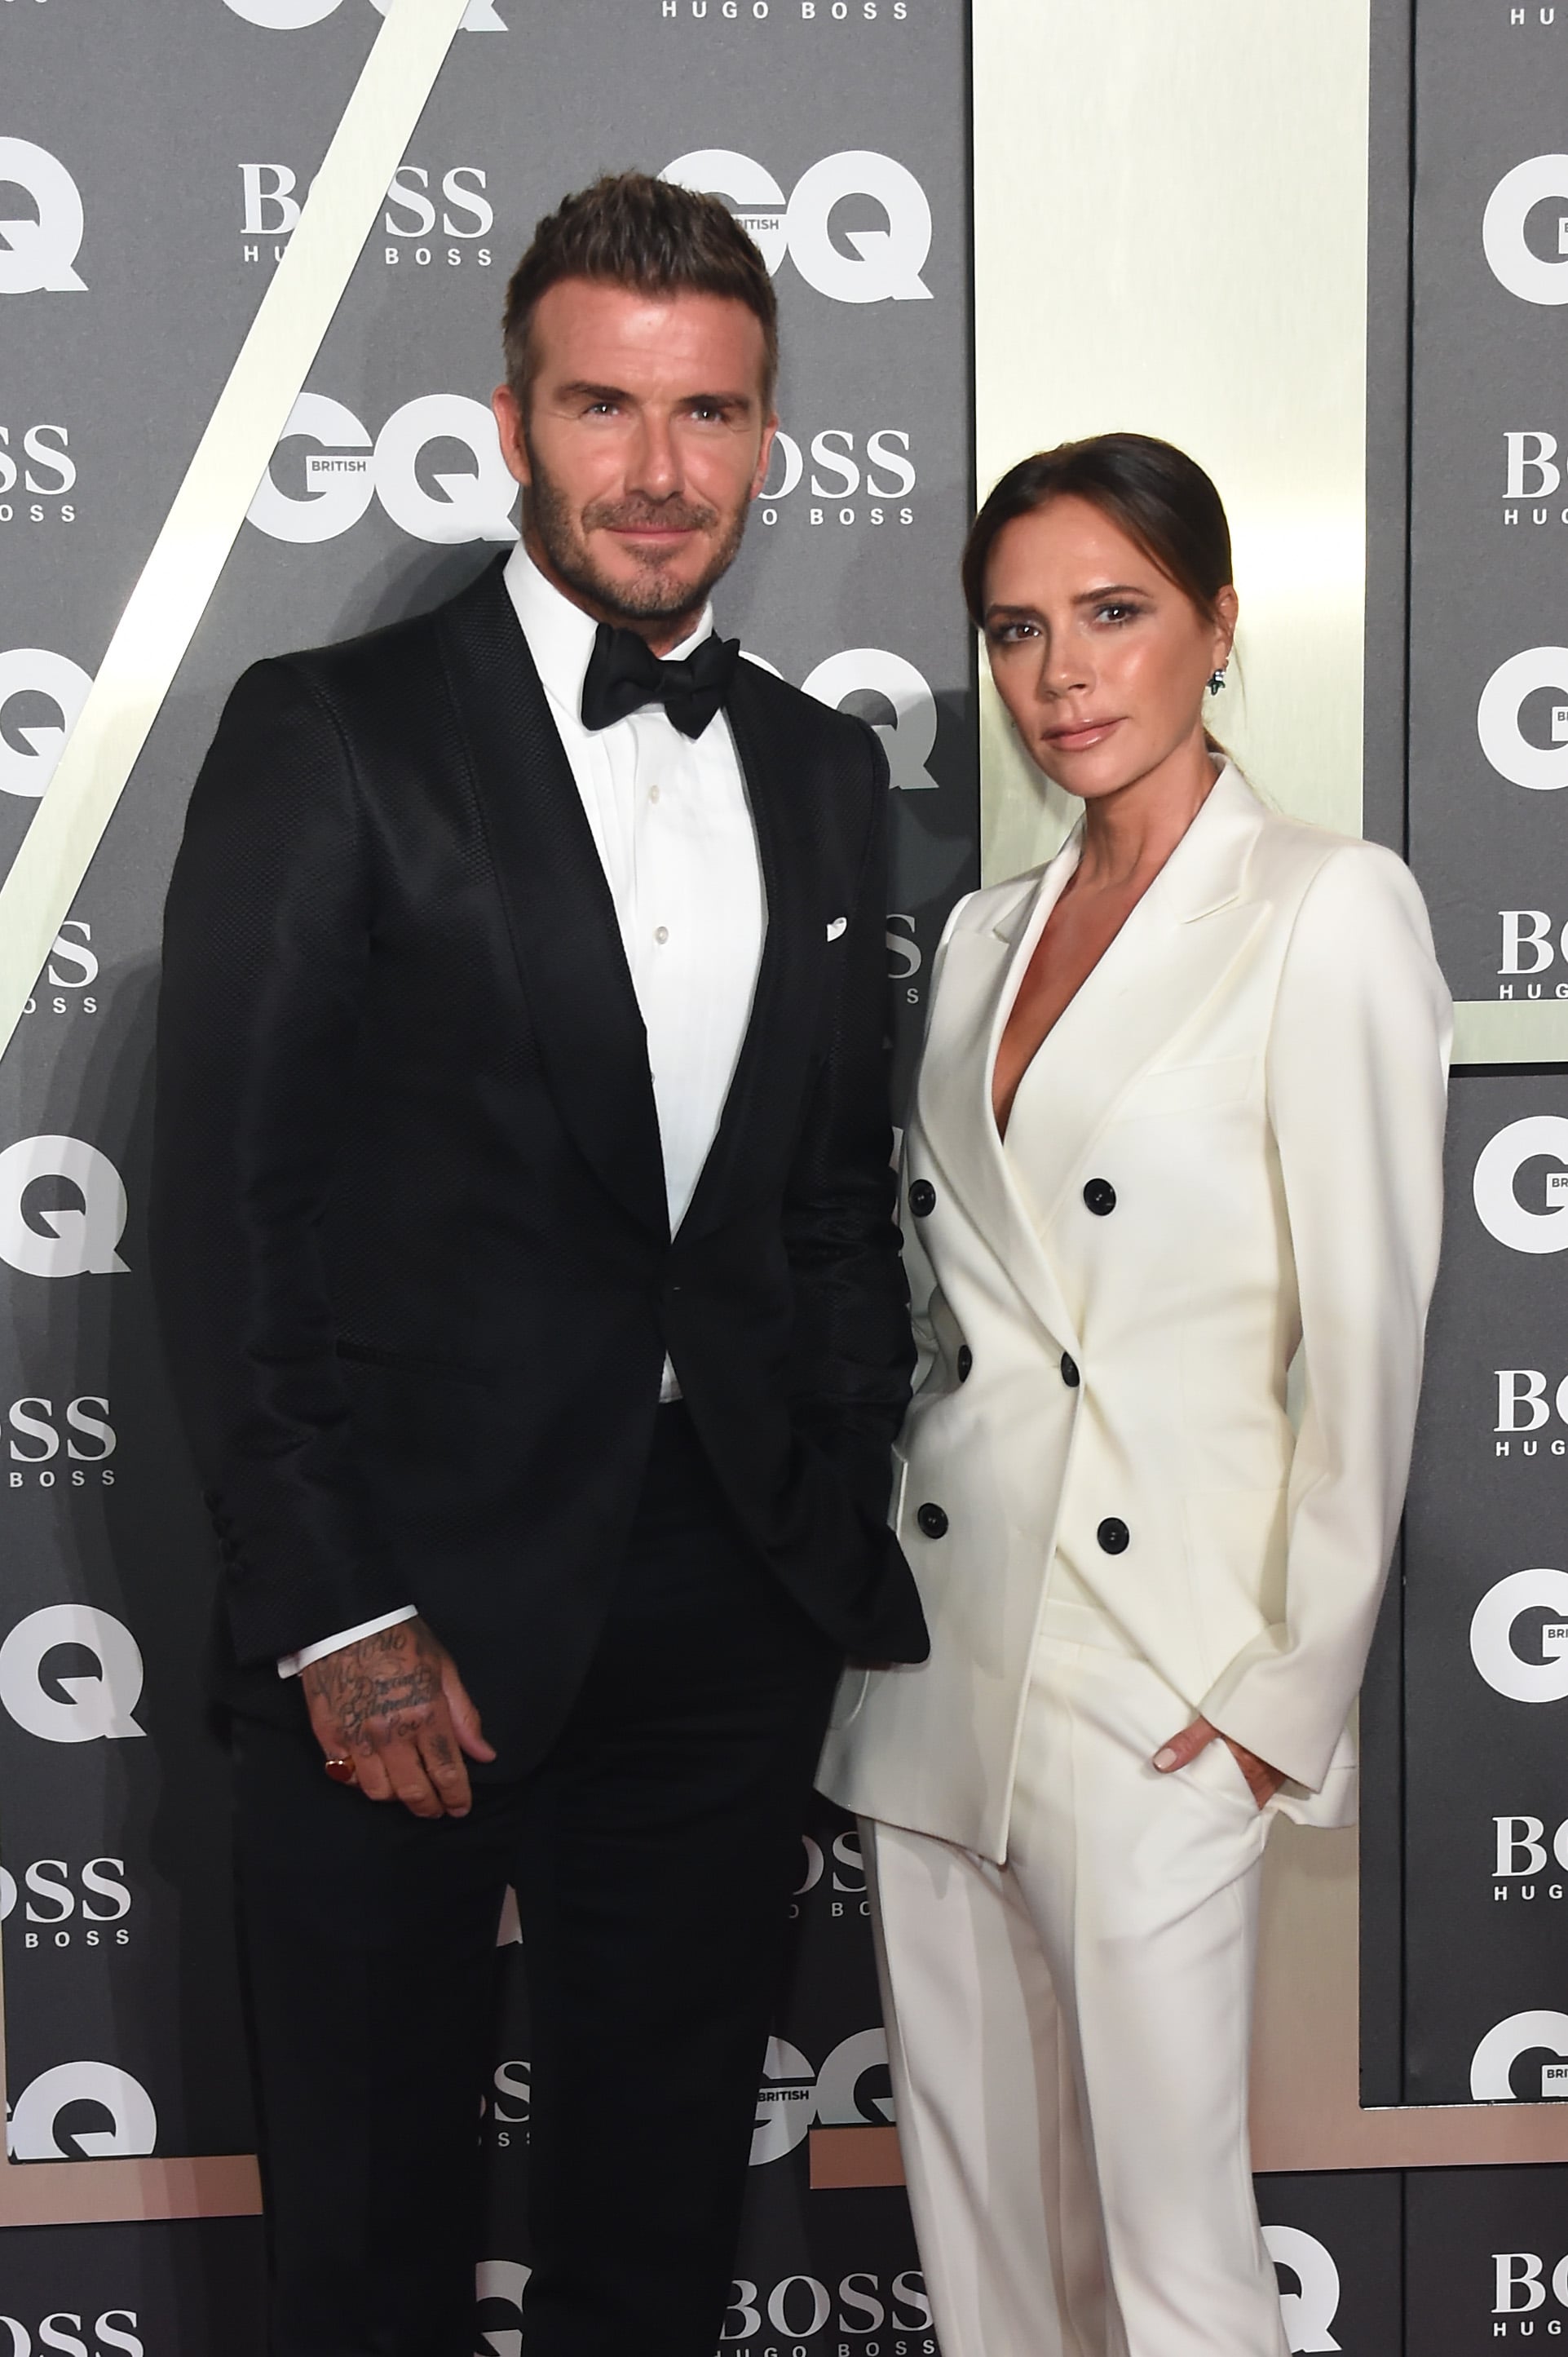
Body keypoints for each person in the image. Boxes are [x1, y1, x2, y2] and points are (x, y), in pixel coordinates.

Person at [149, 171, 925, 2357]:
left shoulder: (820, 770)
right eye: (604, 407)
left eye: (708, 415)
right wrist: (335, 1608)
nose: (657, 473)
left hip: (720, 1608)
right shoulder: (338, 733)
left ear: (767, 435)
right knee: (371, 2235)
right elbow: (229, 1199)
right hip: (399, 1608)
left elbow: (824, 1187)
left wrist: (823, 1498)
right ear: (512, 421)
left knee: (659, 2214)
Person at [819, 432, 1451, 2357]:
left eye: (1113, 613)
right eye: (1016, 628)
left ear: (1217, 629)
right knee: (984, 2243)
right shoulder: (983, 939)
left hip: (1158, 1670)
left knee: (1176, 2258)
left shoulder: (1321, 904)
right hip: (939, 1655)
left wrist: (1271, 1695)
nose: (1059, 673)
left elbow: (1370, 1327)